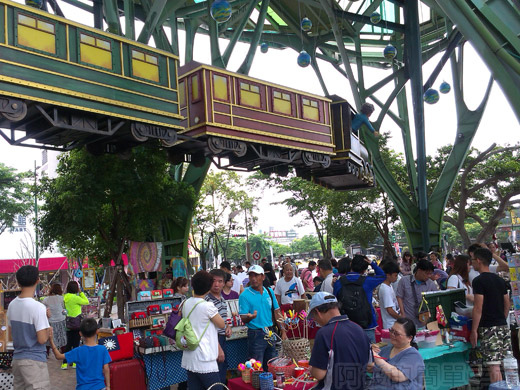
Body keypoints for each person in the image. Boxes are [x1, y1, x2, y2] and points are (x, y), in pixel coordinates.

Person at [308, 292, 370, 390]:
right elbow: (370, 364)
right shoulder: (359, 329)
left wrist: (311, 369)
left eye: (313, 317)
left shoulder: (324, 333)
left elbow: (319, 374)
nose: (315, 321)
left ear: (317, 312)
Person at [470, 248, 511, 384]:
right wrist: (501, 319)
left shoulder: (478, 281)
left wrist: (474, 330)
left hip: (488, 328)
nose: (472, 263)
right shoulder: (499, 280)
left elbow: (478, 308)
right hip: (503, 327)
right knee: (504, 365)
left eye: (473, 260)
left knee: (493, 366)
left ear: (479, 260)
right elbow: (507, 303)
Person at [7, 265, 51, 390]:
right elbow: (42, 339)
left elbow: (11, 335)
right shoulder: (38, 307)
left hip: (17, 360)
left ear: (18, 281)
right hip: (34, 362)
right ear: (37, 280)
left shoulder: (12, 305)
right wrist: (48, 328)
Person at [181, 271, 225, 390]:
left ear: (193, 285)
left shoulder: (186, 303)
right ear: (208, 287)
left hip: (190, 354)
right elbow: (222, 324)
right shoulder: (207, 306)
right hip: (204, 356)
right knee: (216, 387)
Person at [239, 265, 287, 371]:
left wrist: (283, 330)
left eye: (256, 275)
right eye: (251, 275)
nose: (253, 278)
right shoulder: (244, 295)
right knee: (256, 367)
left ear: (263, 277)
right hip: (256, 333)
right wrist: (249, 317)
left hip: (270, 332)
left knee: (272, 364)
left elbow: (276, 311)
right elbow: (243, 317)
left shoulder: (269, 291)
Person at [333, 254, 385, 342]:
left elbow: (336, 300)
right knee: (370, 352)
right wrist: (372, 263)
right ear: (364, 269)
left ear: (351, 265)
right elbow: (382, 276)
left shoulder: (339, 282)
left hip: (346, 324)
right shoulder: (368, 281)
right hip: (367, 324)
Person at [49, 318, 111, 390]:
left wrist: (51, 340)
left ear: (80, 333)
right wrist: (108, 386)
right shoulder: (102, 349)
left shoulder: (77, 351)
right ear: (97, 331)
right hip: (100, 387)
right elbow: (106, 369)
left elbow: (58, 356)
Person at [368, 318, 425, 389]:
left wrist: (376, 357)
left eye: (396, 333)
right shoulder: (385, 350)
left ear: (409, 338)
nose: (392, 334)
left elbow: (397, 376)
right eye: (391, 330)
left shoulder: (414, 356)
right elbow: (371, 368)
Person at [205, 269, 232, 384]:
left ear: (224, 283)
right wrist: (218, 347)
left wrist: (228, 327)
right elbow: (208, 327)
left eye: (220, 281)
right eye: (213, 281)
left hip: (222, 338)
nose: (216, 284)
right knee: (215, 370)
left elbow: (224, 319)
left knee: (222, 367)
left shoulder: (222, 300)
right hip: (213, 340)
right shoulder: (207, 300)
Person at [396, 259, 438, 328]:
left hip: (424, 322)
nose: (429, 276)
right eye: (427, 273)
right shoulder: (404, 281)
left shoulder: (431, 284)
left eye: (430, 274)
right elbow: (399, 296)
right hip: (408, 320)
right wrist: (402, 313)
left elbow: (435, 301)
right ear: (419, 271)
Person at [63, 280, 89, 370]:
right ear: (76, 288)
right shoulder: (75, 298)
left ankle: (64, 363)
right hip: (77, 323)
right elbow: (86, 302)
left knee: (69, 344)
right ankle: (74, 363)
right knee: (76, 344)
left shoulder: (65, 297)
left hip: (68, 323)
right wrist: (81, 293)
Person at [43, 283, 67, 359]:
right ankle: (63, 353)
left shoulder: (46, 299)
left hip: (50, 321)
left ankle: (46, 353)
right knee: (62, 337)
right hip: (61, 320)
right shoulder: (61, 298)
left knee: (49, 338)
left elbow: (43, 310)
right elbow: (64, 309)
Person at [379, 262, 401, 330]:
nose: (396, 278)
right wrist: (401, 318)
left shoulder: (389, 286)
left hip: (393, 323)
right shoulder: (385, 289)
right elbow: (390, 310)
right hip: (390, 324)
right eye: (395, 275)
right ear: (388, 275)